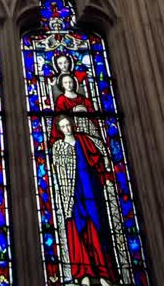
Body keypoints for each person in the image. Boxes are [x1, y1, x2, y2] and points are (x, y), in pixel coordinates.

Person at [51, 114, 117, 285]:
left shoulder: (85, 140)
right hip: (72, 194)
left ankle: (103, 273)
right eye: (63, 126)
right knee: (76, 230)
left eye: (68, 125)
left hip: (90, 188)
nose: (67, 128)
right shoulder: (58, 147)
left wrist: (106, 172)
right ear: (59, 129)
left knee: (97, 227)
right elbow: (59, 173)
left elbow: (100, 153)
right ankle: (83, 273)